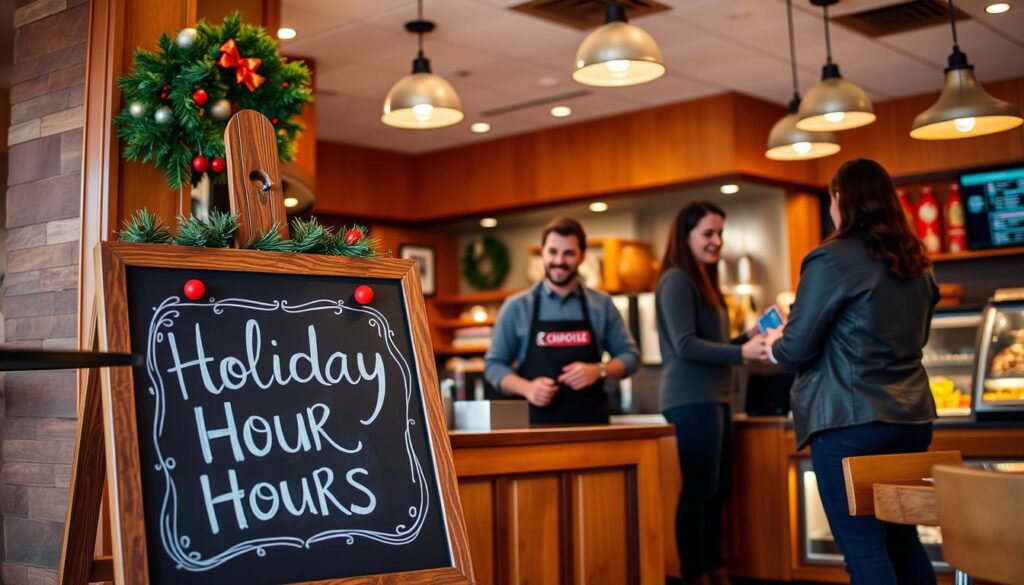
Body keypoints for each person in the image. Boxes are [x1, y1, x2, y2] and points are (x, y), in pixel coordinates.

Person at [765, 159, 939, 585]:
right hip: (911, 420)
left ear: (841, 199)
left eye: (831, 199)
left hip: (850, 420)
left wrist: (774, 344)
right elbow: (918, 337)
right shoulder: (916, 261)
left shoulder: (830, 259)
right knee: (903, 539)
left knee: (864, 549)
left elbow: (796, 347)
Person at [656, 201, 768, 585]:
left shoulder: (703, 279)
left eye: (720, 233)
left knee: (716, 490)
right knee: (699, 491)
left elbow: (712, 345)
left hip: (715, 397)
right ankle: (695, 574)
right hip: (690, 399)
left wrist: (748, 337)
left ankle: (715, 568)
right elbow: (685, 345)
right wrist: (742, 352)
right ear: (685, 236)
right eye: (708, 233)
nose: (717, 241)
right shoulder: (676, 280)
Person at [484, 217, 639, 424]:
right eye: (553, 252)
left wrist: (599, 370)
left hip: (592, 426)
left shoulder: (601, 304)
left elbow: (630, 356)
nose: (559, 261)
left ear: (582, 256)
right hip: (534, 427)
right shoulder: (517, 306)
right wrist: (527, 388)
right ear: (542, 253)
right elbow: (494, 365)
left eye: (569, 253)